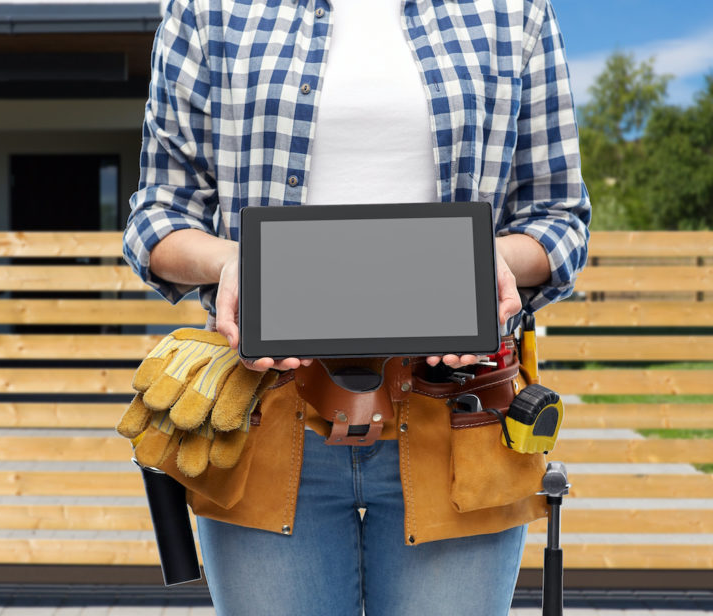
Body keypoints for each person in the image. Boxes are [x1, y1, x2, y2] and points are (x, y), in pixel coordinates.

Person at [123, 0, 590, 614]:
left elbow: (559, 219)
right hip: (268, 410)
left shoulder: (513, 10)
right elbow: (158, 217)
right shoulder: (209, 10)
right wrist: (231, 262)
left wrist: (487, 262)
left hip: (459, 413)